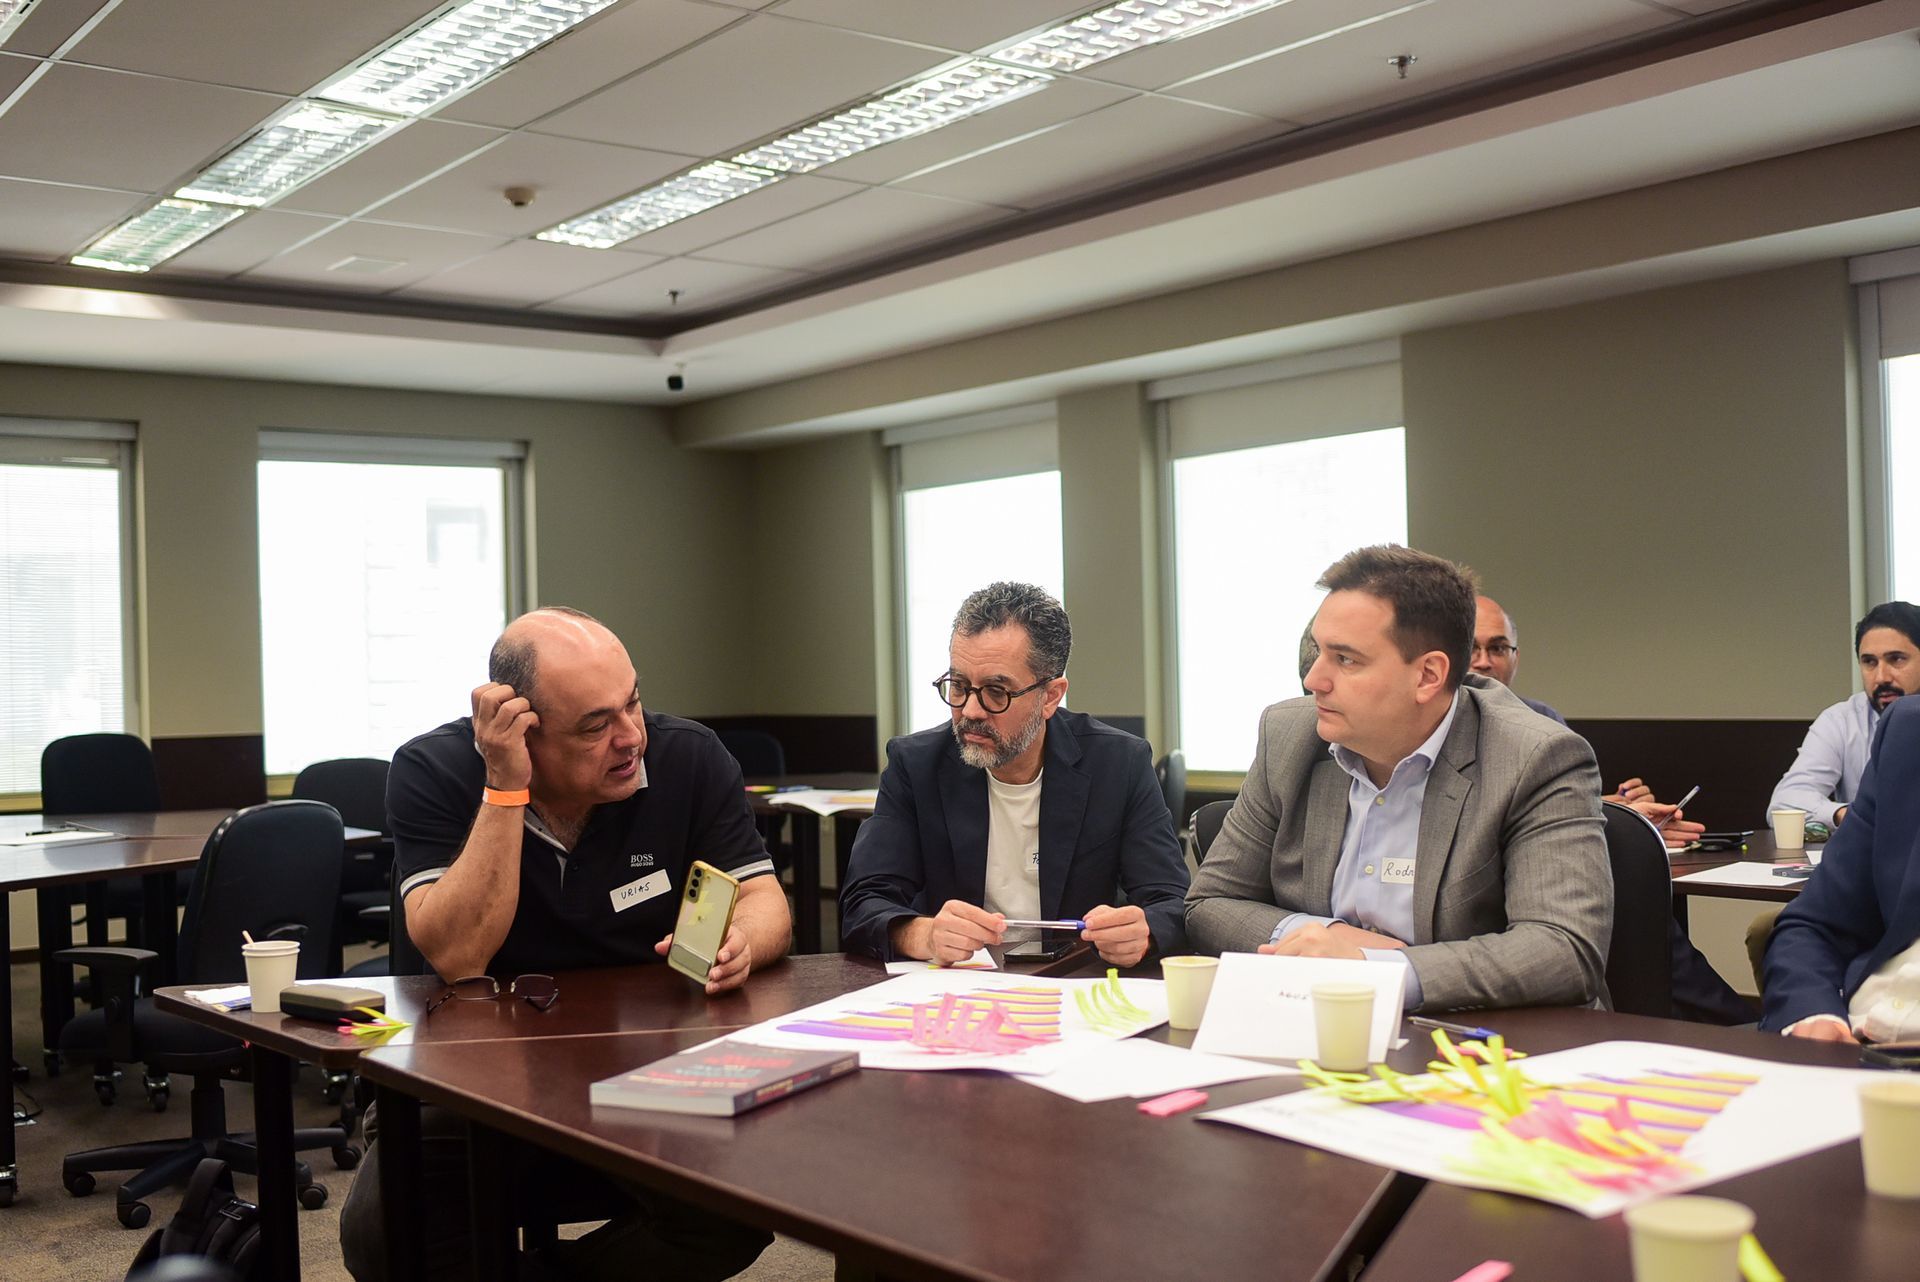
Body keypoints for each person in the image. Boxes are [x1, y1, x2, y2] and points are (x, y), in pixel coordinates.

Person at [340, 606, 787, 1282]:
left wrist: (740, 941)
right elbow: (459, 957)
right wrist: (504, 787)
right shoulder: (433, 769)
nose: (631, 737)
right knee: (383, 1240)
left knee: (737, 1212)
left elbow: (764, 901)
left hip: (644, 1073)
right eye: (595, 725)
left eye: (633, 702)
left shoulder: (690, 758)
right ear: (520, 728)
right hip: (468, 1083)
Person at [1185, 545, 1611, 1011]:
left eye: (1346, 659)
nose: (1314, 680)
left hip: (1488, 1036)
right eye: (1319, 652)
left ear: (1428, 675)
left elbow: (1562, 950)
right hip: (1318, 1019)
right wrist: (1324, 937)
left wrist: (1376, 968)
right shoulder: (1289, 736)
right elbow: (1210, 904)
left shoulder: (1534, 756)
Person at [841, 582, 1189, 967]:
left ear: (1051, 696)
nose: (970, 711)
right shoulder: (916, 765)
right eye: (958, 686)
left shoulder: (1118, 764)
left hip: (1074, 981)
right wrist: (923, 934)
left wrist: (1144, 933)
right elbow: (862, 904)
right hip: (959, 984)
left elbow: (1172, 903)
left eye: (996, 691)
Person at [1762, 697, 1920, 1042]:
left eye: (1897, 665)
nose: (1882, 675)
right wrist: (1814, 1015)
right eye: (1870, 667)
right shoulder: (1907, 730)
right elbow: (1815, 927)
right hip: (1850, 1034)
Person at [1767, 601, 1920, 829]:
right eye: (1869, 662)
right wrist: (1849, 816)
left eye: (1896, 659)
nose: (1881, 677)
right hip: (1872, 850)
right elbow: (1784, 804)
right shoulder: (1841, 721)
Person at [1471, 594, 1567, 726]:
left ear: (1515, 659)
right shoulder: (1440, 722)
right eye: (1470, 648)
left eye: (1497, 648)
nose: (1483, 662)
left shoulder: (1544, 720)